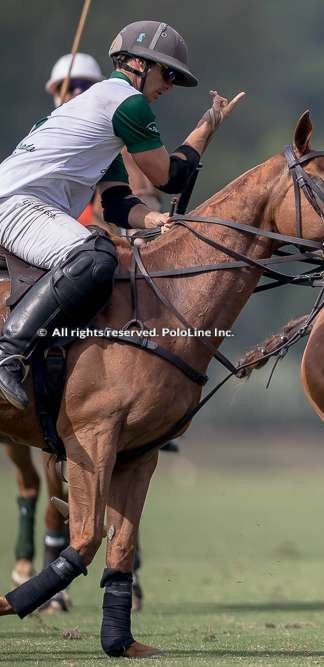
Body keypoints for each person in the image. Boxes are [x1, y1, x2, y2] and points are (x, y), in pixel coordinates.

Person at [0, 20, 243, 410]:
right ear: (136, 63)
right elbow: (170, 178)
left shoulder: (98, 114)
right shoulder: (126, 102)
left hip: (20, 206)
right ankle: (8, 353)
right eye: (167, 73)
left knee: (101, 254)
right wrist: (208, 125)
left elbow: (116, 203)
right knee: (94, 255)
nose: (169, 85)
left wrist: (157, 223)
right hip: (15, 207)